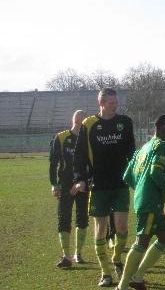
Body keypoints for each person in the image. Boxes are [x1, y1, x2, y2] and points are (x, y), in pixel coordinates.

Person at [71, 88, 136, 287]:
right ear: (101, 103)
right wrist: (80, 179)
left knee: (122, 226)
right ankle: (105, 272)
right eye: (110, 103)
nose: (114, 105)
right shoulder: (89, 124)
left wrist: (135, 173)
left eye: (116, 102)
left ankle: (116, 258)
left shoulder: (124, 122)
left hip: (120, 183)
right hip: (98, 185)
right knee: (100, 228)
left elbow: (131, 152)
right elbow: (79, 156)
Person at [116, 115, 165, 290]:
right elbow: (155, 173)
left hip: (147, 200)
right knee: (142, 241)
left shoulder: (143, 148)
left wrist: (141, 189)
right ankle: (122, 286)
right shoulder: (161, 146)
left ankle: (137, 278)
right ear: (164, 127)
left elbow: (127, 176)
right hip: (150, 202)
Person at [49, 109, 90, 268]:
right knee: (63, 217)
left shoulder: (88, 139)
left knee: (82, 217)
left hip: (83, 183)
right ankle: (66, 255)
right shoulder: (61, 137)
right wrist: (54, 183)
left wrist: (83, 181)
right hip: (65, 184)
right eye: (85, 122)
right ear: (78, 121)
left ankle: (78, 254)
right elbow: (53, 162)